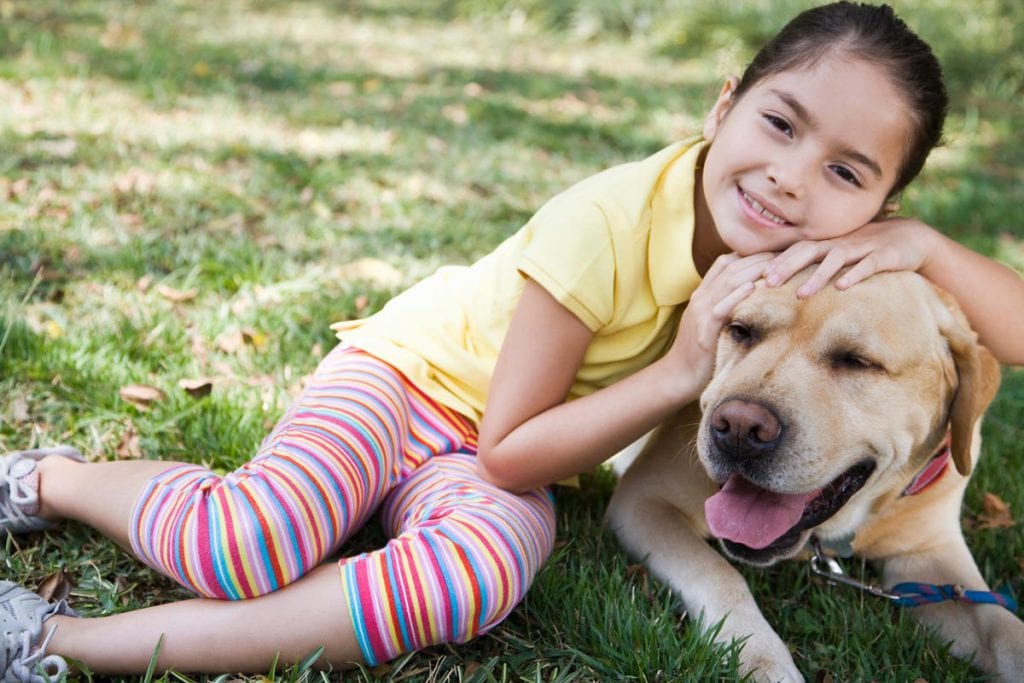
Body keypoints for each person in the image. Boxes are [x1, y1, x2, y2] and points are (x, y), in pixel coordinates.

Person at [2, 2, 1023, 680]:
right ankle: (49, 480)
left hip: (531, 455)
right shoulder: (605, 222)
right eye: (779, 124)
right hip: (419, 387)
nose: (795, 179)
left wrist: (928, 245)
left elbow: (1002, 335)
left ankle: (56, 641)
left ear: (886, 207)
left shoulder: (859, 272)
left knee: (471, 585)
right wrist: (678, 368)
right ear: (724, 105)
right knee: (253, 535)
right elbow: (507, 443)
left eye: (849, 174)